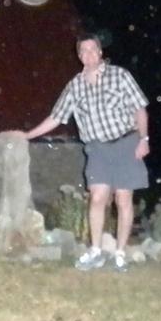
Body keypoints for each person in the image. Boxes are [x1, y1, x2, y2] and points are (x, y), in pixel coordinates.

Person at [16, 34, 150, 272]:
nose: (88, 54)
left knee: (123, 199)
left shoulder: (120, 76)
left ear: (100, 52)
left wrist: (143, 139)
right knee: (97, 198)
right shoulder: (74, 86)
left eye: (92, 49)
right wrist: (28, 135)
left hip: (126, 143)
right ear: (79, 56)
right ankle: (96, 251)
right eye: (84, 51)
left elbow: (140, 109)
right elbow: (56, 117)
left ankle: (120, 254)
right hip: (97, 149)